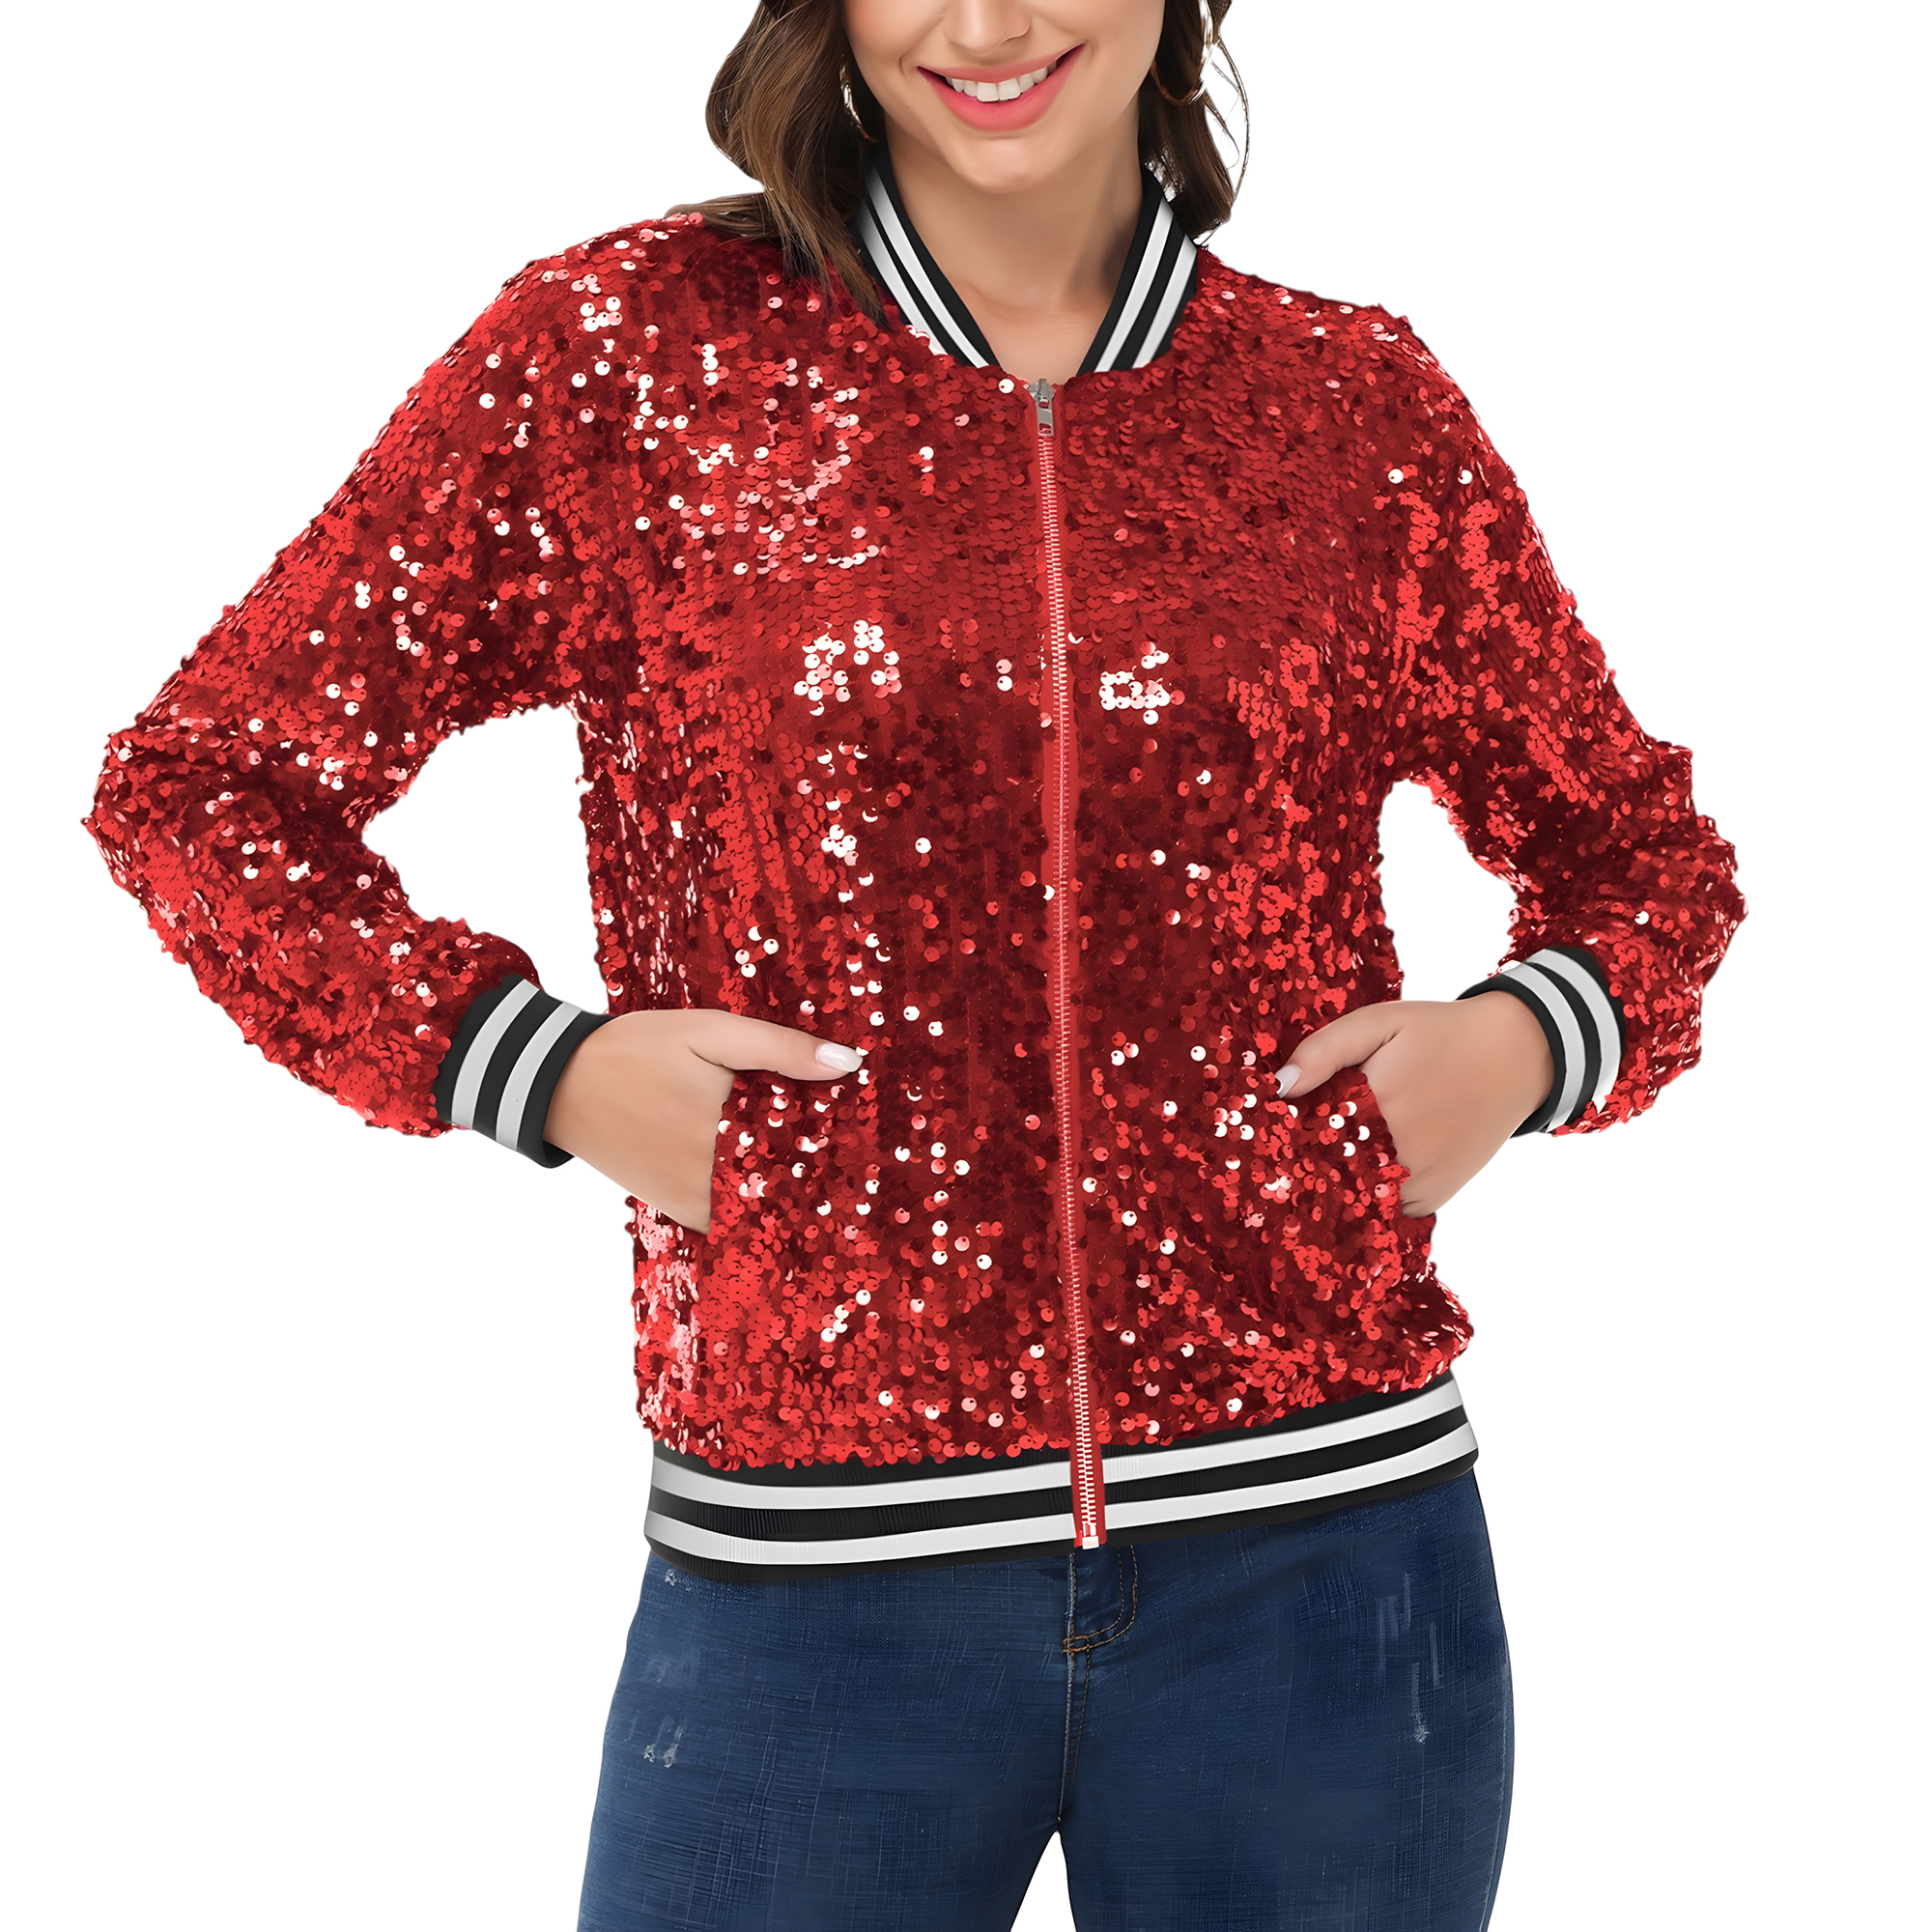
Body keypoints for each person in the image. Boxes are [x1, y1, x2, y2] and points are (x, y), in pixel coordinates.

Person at [85, 1, 1744, 1925]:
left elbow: (1642, 855)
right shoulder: (624, 357)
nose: (985, 20)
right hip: (811, 1593)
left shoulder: (1344, 403)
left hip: (1329, 1577)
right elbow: (203, 783)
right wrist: (537, 1066)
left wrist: (1522, 1045)